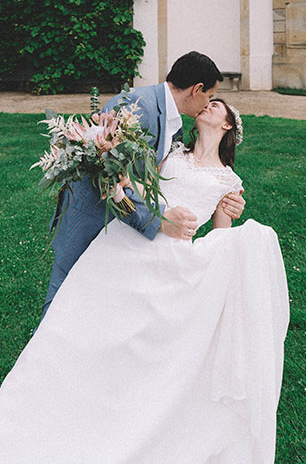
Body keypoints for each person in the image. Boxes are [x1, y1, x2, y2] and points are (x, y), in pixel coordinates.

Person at [0, 99, 289, 464]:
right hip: (131, 243)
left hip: (175, 262)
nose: (206, 106)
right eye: (206, 102)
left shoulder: (229, 181)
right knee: (87, 327)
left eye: (216, 106)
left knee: (143, 350)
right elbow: (143, 190)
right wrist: (123, 187)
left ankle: (129, 416)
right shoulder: (174, 152)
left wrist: (231, 229)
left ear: (227, 127)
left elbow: (222, 240)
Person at [40, 50, 245, 319]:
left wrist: (226, 200)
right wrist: (160, 220)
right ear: (196, 89)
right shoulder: (136, 106)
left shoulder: (176, 130)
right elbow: (105, 172)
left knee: (100, 311)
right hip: (89, 219)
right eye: (208, 96)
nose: (207, 104)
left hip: (126, 234)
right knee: (61, 304)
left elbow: (155, 179)